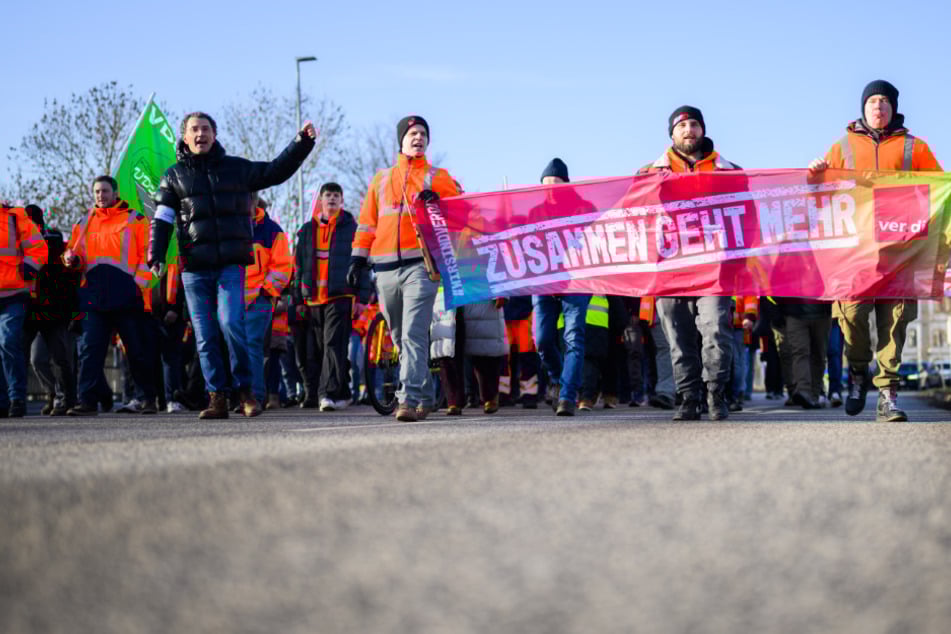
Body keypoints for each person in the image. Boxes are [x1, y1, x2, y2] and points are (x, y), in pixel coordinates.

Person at [149, 112, 315, 419]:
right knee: (205, 334)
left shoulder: (236, 169)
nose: (200, 134)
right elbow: (162, 219)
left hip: (230, 266)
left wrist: (301, 143)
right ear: (185, 137)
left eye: (205, 129)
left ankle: (245, 391)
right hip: (194, 269)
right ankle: (217, 398)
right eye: (194, 130)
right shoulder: (172, 176)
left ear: (214, 134)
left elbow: (276, 171)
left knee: (230, 324)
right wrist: (155, 253)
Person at [808, 80, 942, 422]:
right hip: (857, 250)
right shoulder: (843, 146)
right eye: (872, 101)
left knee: (895, 321)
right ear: (863, 107)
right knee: (851, 316)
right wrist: (814, 179)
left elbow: (940, 193)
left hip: (902, 249)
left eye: (884, 101)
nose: (878, 107)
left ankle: (887, 394)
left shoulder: (916, 148)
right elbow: (822, 199)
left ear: (894, 107)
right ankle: (857, 372)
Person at [348, 115, 460, 422]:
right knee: (399, 337)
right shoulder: (381, 180)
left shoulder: (439, 177)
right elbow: (367, 223)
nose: (418, 137)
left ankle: (407, 400)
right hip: (383, 268)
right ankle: (424, 395)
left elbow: (460, 214)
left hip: (421, 267)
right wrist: (357, 258)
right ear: (401, 139)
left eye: (423, 133)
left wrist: (439, 203)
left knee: (412, 334)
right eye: (412, 133)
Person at [639, 106, 741, 421]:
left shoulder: (730, 172)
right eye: (681, 125)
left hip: (715, 270)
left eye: (694, 124)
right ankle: (688, 397)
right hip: (670, 271)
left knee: (715, 331)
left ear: (703, 130)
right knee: (678, 337)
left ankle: (715, 394)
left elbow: (747, 221)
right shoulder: (648, 175)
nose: (689, 130)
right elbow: (633, 220)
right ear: (671, 134)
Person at [64, 176, 156, 416]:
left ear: (115, 193)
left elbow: (149, 256)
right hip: (94, 297)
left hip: (127, 297)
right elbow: (73, 254)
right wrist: (70, 260)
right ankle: (87, 401)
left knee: (136, 350)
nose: (100, 195)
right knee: (90, 351)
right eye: (96, 191)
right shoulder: (84, 221)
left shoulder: (135, 219)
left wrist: (137, 286)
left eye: (104, 191)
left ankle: (146, 399)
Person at [293, 182, 364, 411]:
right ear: (321, 200)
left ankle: (327, 394)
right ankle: (342, 391)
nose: (332, 199)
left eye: (336, 195)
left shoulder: (351, 228)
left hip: (340, 295)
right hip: (313, 298)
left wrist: (361, 298)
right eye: (328, 195)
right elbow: (298, 268)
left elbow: (362, 264)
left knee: (333, 344)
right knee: (323, 349)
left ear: (341, 200)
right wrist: (298, 300)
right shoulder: (306, 231)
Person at [532, 158, 592, 417]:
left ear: (566, 184)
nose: (551, 187)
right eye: (546, 183)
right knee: (543, 340)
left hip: (576, 282)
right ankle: (559, 380)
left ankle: (567, 396)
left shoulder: (585, 209)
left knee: (573, 339)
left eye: (556, 182)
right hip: (543, 283)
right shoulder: (535, 212)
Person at [23, 204, 79, 415]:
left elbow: (69, 278)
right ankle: (53, 394)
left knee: (61, 358)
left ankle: (68, 399)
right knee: (36, 360)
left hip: (55, 312)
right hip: (30, 311)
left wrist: (73, 313)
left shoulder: (56, 247)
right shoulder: (19, 245)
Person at [0, 201, 48, 417]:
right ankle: (3, 402)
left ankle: (16, 398)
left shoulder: (14, 217)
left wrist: (29, 267)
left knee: (8, 342)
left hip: (13, 293)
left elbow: (39, 248)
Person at [244, 195, 292, 409]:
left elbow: (283, 266)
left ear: (255, 202)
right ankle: (241, 394)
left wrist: (266, 291)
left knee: (253, 344)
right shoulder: (229, 226)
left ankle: (253, 396)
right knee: (237, 347)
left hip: (259, 298)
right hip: (233, 297)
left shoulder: (272, 230)